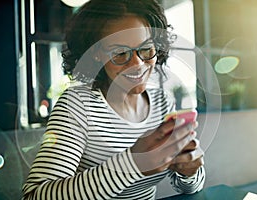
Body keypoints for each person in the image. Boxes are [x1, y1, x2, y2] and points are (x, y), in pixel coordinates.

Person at [22, 0, 205, 199]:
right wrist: (133, 164)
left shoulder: (162, 102)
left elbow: (189, 189)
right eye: (120, 53)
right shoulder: (76, 106)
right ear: (95, 55)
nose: (137, 64)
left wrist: (189, 171)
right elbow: (34, 196)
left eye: (146, 49)